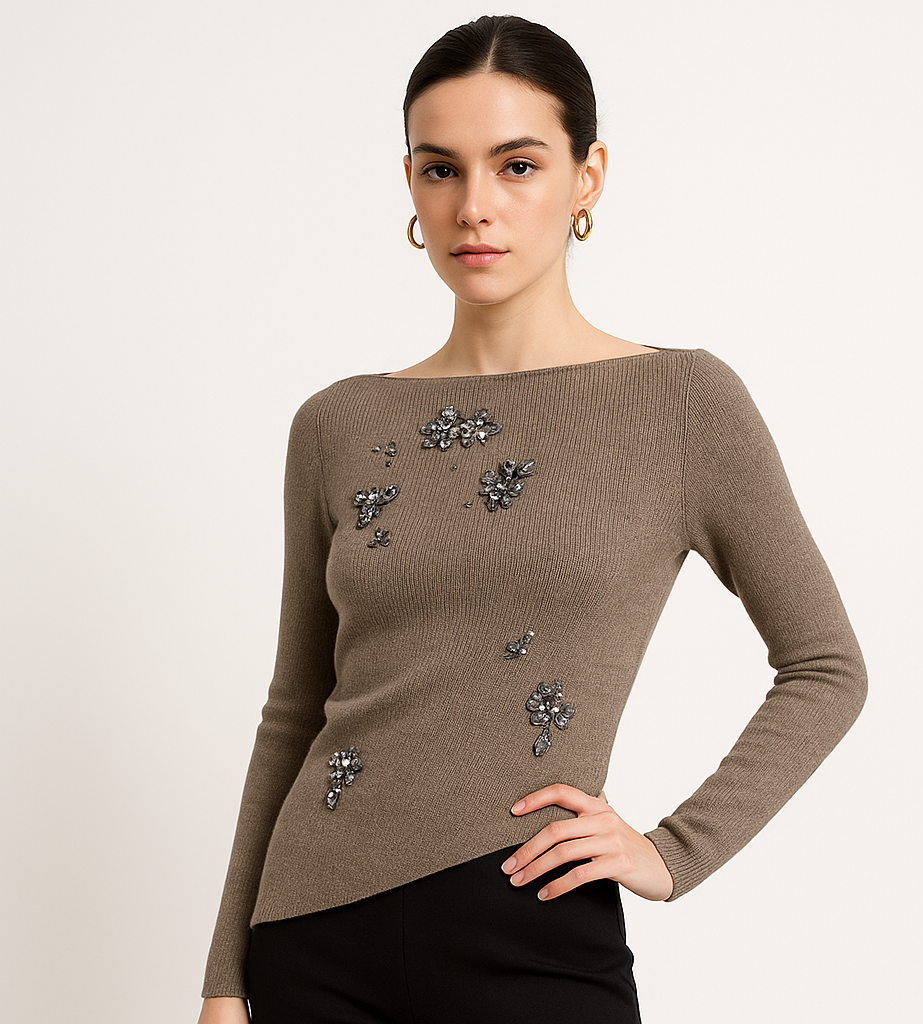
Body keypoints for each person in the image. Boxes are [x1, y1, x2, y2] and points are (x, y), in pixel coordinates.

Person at [197, 14, 867, 1024]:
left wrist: (676, 851)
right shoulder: (337, 422)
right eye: (440, 169)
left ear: (586, 177)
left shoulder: (683, 403)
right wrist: (224, 975)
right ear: (410, 184)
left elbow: (826, 666)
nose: (474, 206)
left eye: (517, 165)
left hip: (533, 929)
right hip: (311, 939)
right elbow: (295, 706)